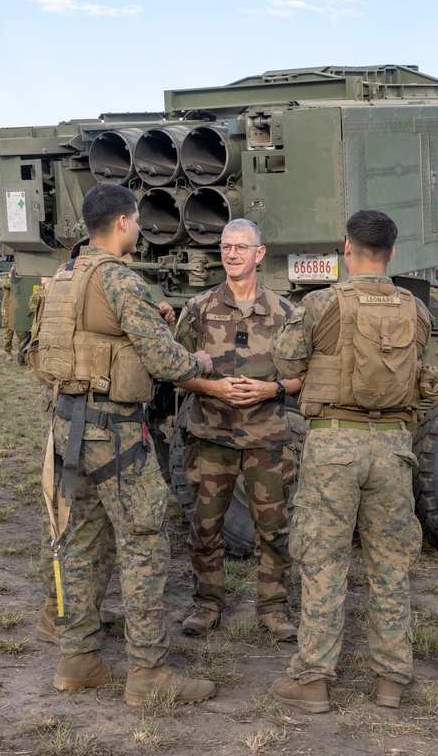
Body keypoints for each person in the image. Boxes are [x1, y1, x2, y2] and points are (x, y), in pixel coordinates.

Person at [40, 183, 216, 707]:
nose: (139, 229)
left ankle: (78, 659)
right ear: (122, 223)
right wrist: (200, 363)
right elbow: (168, 365)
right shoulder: (118, 279)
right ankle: (148, 673)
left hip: (65, 426)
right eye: (137, 221)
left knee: (81, 542)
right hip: (114, 432)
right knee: (143, 542)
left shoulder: (66, 278)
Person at [269, 209, 438, 713]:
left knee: (323, 562)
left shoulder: (320, 304)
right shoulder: (416, 310)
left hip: (333, 443)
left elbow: (286, 362)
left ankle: (313, 680)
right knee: (391, 565)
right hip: (393, 446)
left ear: (347, 247)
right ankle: (391, 680)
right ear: (392, 251)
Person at [174, 218, 302, 642]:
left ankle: (273, 609)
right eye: (227, 247)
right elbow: (174, 371)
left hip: (266, 439)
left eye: (241, 248)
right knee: (205, 527)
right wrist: (214, 387)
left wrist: (271, 388)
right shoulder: (199, 308)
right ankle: (207, 604)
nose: (232, 254)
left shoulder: (286, 313)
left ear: (259, 254)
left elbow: (306, 374)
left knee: (274, 529)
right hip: (212, 438)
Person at [0, 265, 26, 362]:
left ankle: (22, 352)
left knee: (20, 332)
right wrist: (12, 275)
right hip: (8, 309)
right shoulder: (6, 279)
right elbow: (8, 285)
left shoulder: (21, 280)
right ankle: (8, 352)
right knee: (8, 331)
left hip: (18, 308)